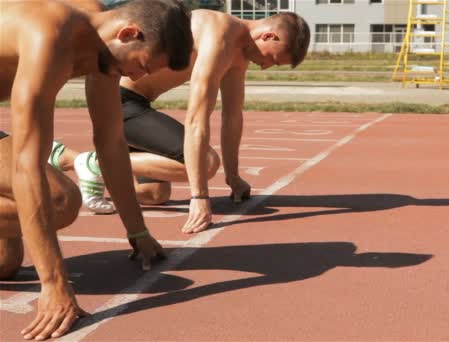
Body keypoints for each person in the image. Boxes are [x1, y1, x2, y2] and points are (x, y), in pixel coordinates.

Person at [0, 0, 193, 339]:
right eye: (142, 65)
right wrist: (55, 284)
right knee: (60, 200)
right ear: (128, 33)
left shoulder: (102, 44)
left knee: (5, 263)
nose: (137, 77)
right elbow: (26, 164)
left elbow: (110, 141)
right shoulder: (51, 32)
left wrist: (138, 231)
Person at [51, 9, 311, 234]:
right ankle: (95, 162)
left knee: (155, 194)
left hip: (139, 104)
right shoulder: (219, 32)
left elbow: (232, 116)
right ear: (268, 36)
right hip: (117, 98)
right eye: (273, 59)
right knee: (207, 163)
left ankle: (70, 159)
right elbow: (197, 118)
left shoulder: (239, 54)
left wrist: (233, 177)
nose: (266, 67)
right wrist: (199, 196)